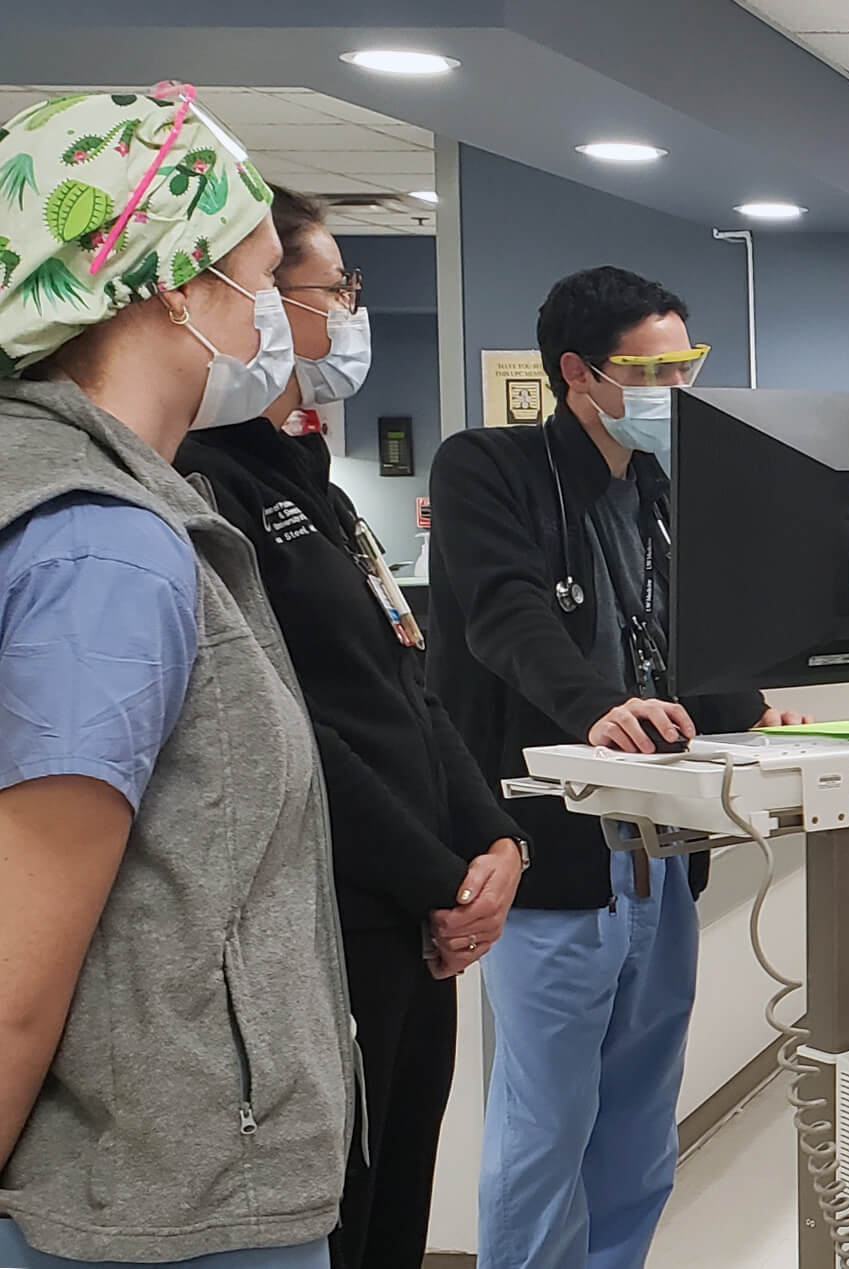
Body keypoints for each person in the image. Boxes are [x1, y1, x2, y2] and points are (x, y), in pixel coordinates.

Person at [0, 88, 354, 1266]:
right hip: (155, 1206)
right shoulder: (102, 548)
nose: (276, 319)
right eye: (261, 277)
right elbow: (18, 972)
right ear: (168, 283)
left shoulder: (132, 510)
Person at [174, 187, 528, 1269]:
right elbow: (281, 722)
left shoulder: (306, 483)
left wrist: (494, 842)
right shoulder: (201, 485)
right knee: (346, 1209)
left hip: (419, 908)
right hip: (337, 912)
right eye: (333, 290)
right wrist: (437, 879)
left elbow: (407, 682)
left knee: (399, 1205)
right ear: (259, 305)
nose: (346, 314)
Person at [427, 266, 803, 1269]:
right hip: (551, 849)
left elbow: (686, 630)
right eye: (653, 369)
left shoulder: (664, 490)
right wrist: (596, 707)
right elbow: (505, 615)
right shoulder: (487, 468)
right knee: (548, 1121)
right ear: (579, 373)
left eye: (689, 364)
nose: (676, 389)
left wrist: (754, 707)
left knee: (639, 1120)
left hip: (660, 848)